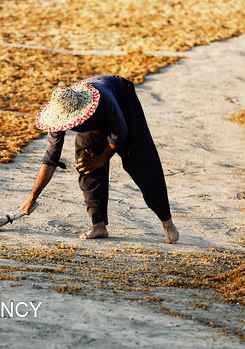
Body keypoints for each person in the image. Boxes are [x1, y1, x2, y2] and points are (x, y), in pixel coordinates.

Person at [19, 75, 179, 244]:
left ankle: (166, 221)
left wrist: (102, 158)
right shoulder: (58, 118)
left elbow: (121, 132)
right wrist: (32, 198)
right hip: (94, 118)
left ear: (78, 112)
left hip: (122, 101)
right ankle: (99, 225)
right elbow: (50, 159)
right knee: (86, 162)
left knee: (141, 161)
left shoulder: (104, 102)